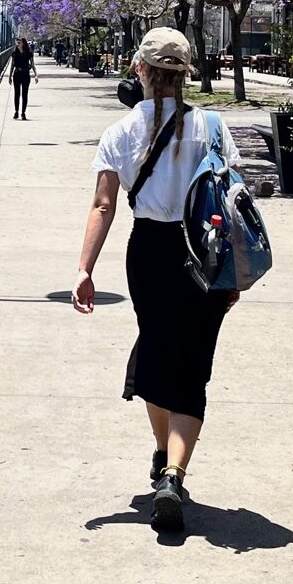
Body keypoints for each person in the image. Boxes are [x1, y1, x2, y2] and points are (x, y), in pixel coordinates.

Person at [73, 27, 238, 534]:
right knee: (193, 365)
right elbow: (230, 202)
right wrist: (230, 272)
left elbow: (104, 204)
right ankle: (174, 472)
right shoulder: (212, 127)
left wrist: (85, 269)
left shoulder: (121, 132)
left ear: (139, 70)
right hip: (202, 252)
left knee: (157, 347)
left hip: (148, 252)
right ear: (185, 75)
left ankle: (163, 452)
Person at [10, 37, 39, 119]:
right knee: (17, 94)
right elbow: (12, 65)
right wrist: (10, 76)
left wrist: (36, 75)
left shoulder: (29, 53)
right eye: (17, 43)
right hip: (17, 74)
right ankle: (16, 111)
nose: (18, 44)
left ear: (23, 43)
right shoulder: (14, 53)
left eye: (19, 42)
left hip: (25, 74)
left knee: (24, 94)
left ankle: (23, 112)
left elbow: (32, 64)